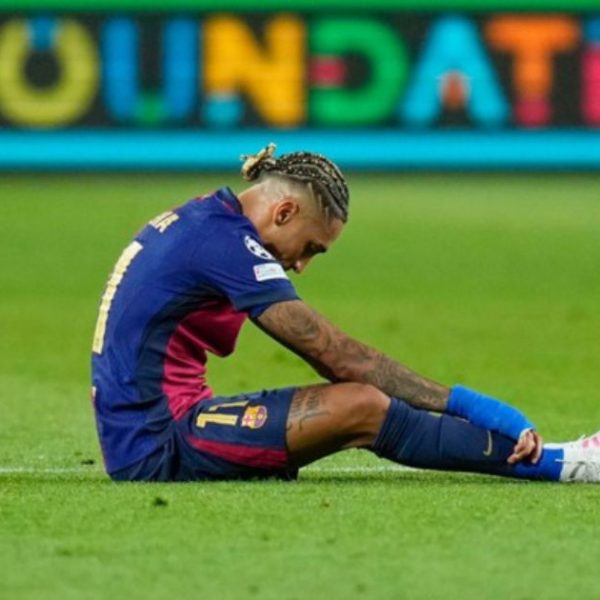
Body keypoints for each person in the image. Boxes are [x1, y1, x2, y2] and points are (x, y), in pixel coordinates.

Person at [91, 143, 599, 483]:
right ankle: (560, 463)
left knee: (359, 401)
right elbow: (338, 358)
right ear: (284, 212)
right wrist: (471, 404)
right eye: (310, 246)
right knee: (362, 405)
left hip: (152, 427)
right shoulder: (224, 244)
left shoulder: (206, 219)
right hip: (158, 445)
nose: (301, 265)